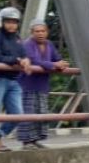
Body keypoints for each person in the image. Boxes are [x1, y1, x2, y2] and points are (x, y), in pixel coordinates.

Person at [0, 6, 29, 152]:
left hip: (13, 80)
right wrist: (17, 60)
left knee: (18, 115)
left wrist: (26, 60)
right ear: (1, 22)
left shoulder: (18, 40)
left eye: (14, 22)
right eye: (8, 21)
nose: (11, 25)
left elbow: (23, 54)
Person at [17, 21, 68, 149]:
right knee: (28, 113)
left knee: (41, 112)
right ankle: (26, 142)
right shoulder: (27, 44)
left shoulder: (49, 44)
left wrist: (61, 63)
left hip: (42, 85)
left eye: (43, 31)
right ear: (32, 33)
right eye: (37, 31)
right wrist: (53, 65)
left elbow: (56, 57)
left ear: (47, 32)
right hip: (27, 84)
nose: (40, 34)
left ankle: (35, 140)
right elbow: (34, 60)